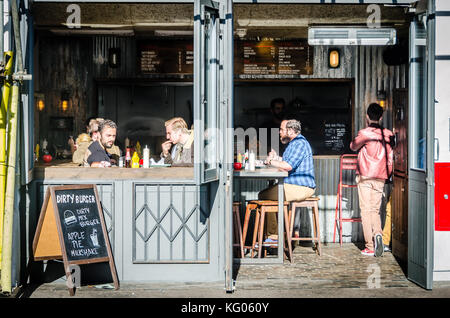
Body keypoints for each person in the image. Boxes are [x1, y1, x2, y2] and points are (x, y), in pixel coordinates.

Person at [258, 119, 316, 241]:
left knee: (265, 195)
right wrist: (276, 158)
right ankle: (275, 236)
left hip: (301, 187)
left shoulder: (299, 143)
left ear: (289, 131)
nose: (279, 132)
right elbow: (287, 161)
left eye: (282, 129)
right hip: (296, 185)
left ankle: (273, 237)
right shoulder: (294, 144)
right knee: (270, 194)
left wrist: (270, 161)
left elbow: (288, 166)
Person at [350, 103, 394, 257]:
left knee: (366, 210)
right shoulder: (388, 134)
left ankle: (369, 246)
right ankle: (378, 235)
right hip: (381, 175)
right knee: (375, 210)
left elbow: (353, 146)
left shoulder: (365, 133)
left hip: (365, 175)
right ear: (381, 117)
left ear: (367, 116)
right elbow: (390, 155)